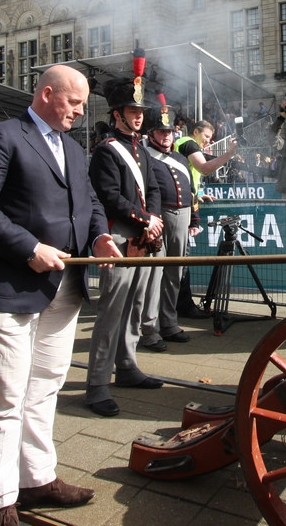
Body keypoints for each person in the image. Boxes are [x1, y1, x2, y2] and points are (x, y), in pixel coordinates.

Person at [0, 65, 119, 524]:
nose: (81, 112)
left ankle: (38, 478)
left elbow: (89, 202)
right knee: (4, 398)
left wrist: (99, 236)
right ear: (47, 94)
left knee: (46, 387)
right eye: (74, 102)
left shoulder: (73, 148)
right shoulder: (3, 136)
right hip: (11, 286)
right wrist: (29, 248)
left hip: (64, 287)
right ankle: (0, 499)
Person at [85, 80, 164, 418]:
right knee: (112, 311)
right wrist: (145, 219)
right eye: (133, 111)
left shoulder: (140, 149)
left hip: (143, 238)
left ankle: (127, 366)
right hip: (120, 238)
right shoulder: (107, 150)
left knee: (134, 307)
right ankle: (97, 383)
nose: (139, 116)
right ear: (117, 114)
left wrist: (154, 219)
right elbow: (108, 196)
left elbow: (153, 188)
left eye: (140, 111)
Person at [140, 100, 200, 352]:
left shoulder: (180, 158)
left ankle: (169, 323)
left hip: (182, 217)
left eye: (169, 131)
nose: (166, 136)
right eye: (161, 131)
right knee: (154, 276)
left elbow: (191, 190)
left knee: (175, 274)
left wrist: (194, 218)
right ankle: (149, 329)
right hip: (158, 218)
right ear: (152, 133)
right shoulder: (144, 155)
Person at [173, 120, 238, 317]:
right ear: (195, 132)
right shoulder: (188, 144)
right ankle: (184, 306)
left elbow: (187, 177)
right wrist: (229, 154)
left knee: (178, 260)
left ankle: (176, 304)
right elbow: (204, 168)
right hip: (180, 209)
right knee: (181, 260)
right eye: (206, 137)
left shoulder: (184, 145)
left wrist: (197, 194)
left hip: (183, 204)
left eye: (211, 138)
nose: (208, 141)